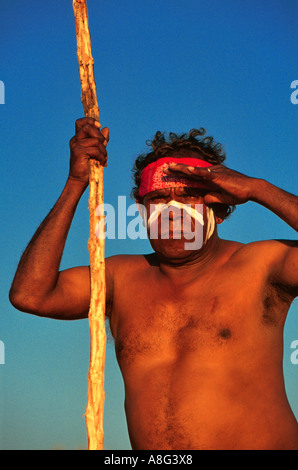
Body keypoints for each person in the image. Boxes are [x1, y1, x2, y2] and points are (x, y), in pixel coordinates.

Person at [9, 117, 298, 450]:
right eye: (159, 199)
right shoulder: (119, 278)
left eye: (189, 197)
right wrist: (76, 183)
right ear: (143, 211)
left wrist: (259, 189)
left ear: (220, 208)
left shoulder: (262, 266)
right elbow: (30, 295)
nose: (173, 212)